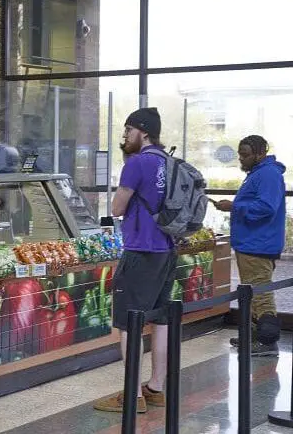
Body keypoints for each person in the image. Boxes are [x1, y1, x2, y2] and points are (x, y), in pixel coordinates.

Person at [94, 107, 178, 415]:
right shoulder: (169, 162)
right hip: (168, 250)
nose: (125, 137)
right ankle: (155, 388)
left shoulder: (137, 163)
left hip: (141, 250)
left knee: (129, 324)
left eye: (128, 131)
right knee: (160, 320)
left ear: (142, 131)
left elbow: (117, 207)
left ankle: (132, 396)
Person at [215, 135, 286, 356]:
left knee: (261, 294)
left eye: (245, 155)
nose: (241, 159)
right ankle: (254, 336)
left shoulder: (268, 174)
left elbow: (266, 207)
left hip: (259, 244)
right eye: (240, 154)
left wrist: (234, 207)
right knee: (253, 293)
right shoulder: (259, 173)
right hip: (252, 243)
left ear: (260, 153)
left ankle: (266, 342)